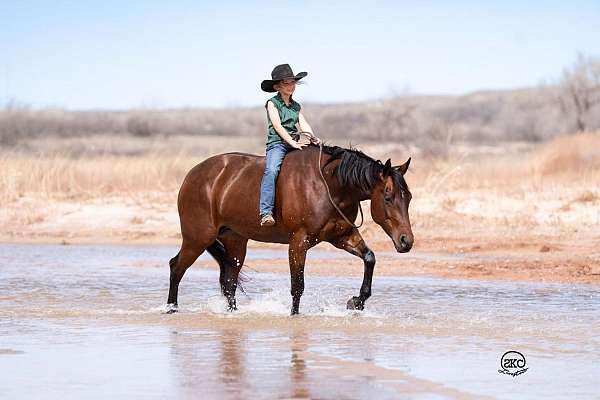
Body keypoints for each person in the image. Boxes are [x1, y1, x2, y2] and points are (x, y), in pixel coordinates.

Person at [258, 64, 321, 226]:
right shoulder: (272, 103)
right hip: (278, 144)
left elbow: (303, 123)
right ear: (278, 86)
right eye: (287, 83)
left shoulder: (295, 106)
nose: (291, 86)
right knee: (271, 171)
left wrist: (312, 137)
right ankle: (265, 212)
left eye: (293, 82)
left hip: (294, 143)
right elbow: (277, 126)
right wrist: (291, 142)